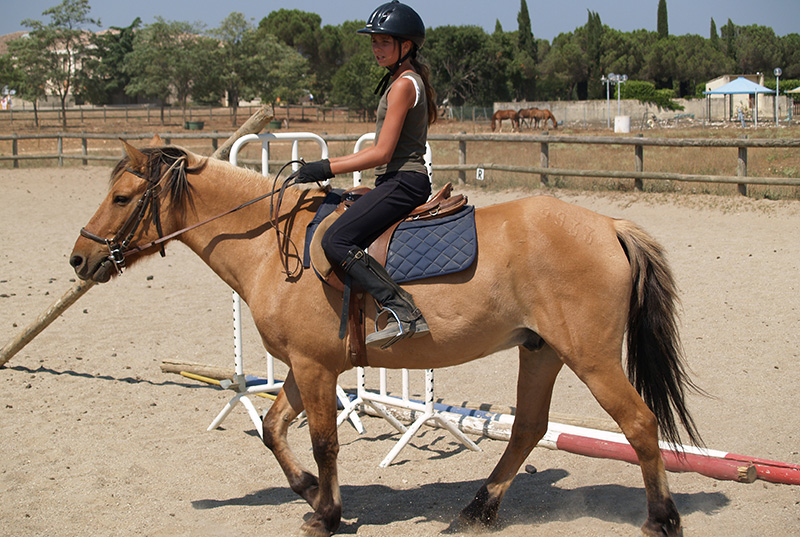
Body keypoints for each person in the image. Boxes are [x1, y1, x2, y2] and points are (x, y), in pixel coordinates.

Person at [294, 1, 437, 349]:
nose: (377, 48)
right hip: (395, 180)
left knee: (335, 240)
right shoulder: (401, 80)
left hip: (404, 181)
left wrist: (324, 167)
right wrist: (329, 168)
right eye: (374, 41)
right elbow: (376, 150)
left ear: (406, 45)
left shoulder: (403, 85)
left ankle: (402, 309)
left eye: (384, 41)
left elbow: (381, 153)